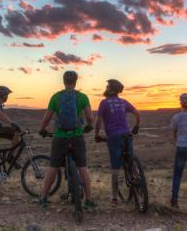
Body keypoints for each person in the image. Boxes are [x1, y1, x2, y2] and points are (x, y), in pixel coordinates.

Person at [38, 70, 96, 209]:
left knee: (53, 167)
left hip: (60, 137)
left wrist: (42, 129)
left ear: (64, 82)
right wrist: (89, 127)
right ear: (76, 82)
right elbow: (90, 118)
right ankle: (88, 200)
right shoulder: (82, 97)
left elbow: (47, 118)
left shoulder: (56, 97)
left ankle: (43, 198)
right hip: (77, 136)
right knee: (82, 167)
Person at [94, 79, 141, 205]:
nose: (106, 87)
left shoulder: (103, 103)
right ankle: (137, 181)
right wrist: (136, 127)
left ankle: (114, 198)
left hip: (114, 137)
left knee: (115, 168)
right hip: (127, 134)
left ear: (111, 89)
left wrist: (97, 135)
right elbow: (137, 113)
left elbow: (98, 121)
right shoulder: (123, 102)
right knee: (130, 160)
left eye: (108, 86)